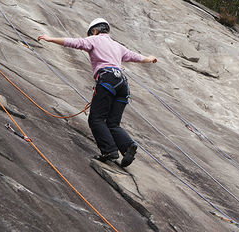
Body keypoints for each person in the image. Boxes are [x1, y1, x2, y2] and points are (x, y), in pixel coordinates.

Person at [38, 18, 157, 167]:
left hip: (108, 79)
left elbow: (75, 43)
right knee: (113, 123)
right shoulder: (117, 46)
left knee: (96, 119)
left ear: (94, 31)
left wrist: (50, 39)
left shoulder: (94, 40)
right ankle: (127, 147)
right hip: (122, 84)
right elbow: (135, 57)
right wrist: (148, 59)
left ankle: (109, 151)